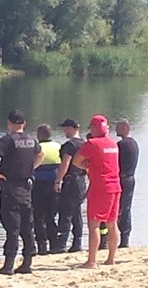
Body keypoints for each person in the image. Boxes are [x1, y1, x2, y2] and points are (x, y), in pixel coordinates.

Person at [0, 109, 44, 276]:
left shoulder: (8, 140)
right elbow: (41, 154)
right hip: (26, 187)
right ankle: (27, 262)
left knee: (12, 226)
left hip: (10, 187)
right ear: (24, 124)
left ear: (9, 123)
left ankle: (9, 264)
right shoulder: (32, 140)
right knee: (27, 225)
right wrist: (31, 168)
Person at [72, 115, 122, 268]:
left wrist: (86, 166)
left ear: (94, 128)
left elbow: (76, 161)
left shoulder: (92, 143)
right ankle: (111, 258)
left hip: (100, 186)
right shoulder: (113, 143)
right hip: (116, 186)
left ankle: (92, 260)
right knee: (112, 224)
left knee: (94, 224)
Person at [52, 118, 87, 254]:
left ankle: (61, 244)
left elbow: (65, 164)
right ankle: (77, 242)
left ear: (72, 129)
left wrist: (58, 180)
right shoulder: (84, 144)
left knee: (65, 212)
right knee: (77, 212)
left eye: (66, 128)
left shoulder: (70, 145)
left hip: (71, 180)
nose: (64, 131)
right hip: (81, 180)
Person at [32, 124, 61, 255]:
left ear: (40, 134)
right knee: (51, 217)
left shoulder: (37, 148)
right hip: (54, 185)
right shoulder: (58, 146)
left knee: (38, 217)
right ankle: (54, 244)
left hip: (38, 186)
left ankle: (42, 246)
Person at [115, 119, 139, 248]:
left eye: (118, 127)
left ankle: (120, 238)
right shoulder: (134, 143)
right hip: (130, 178)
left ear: (125, 127)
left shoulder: (122, 144)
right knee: (126, 208)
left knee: (119, 209)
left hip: (122, 179)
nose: (115, 130)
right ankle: (125, 238)